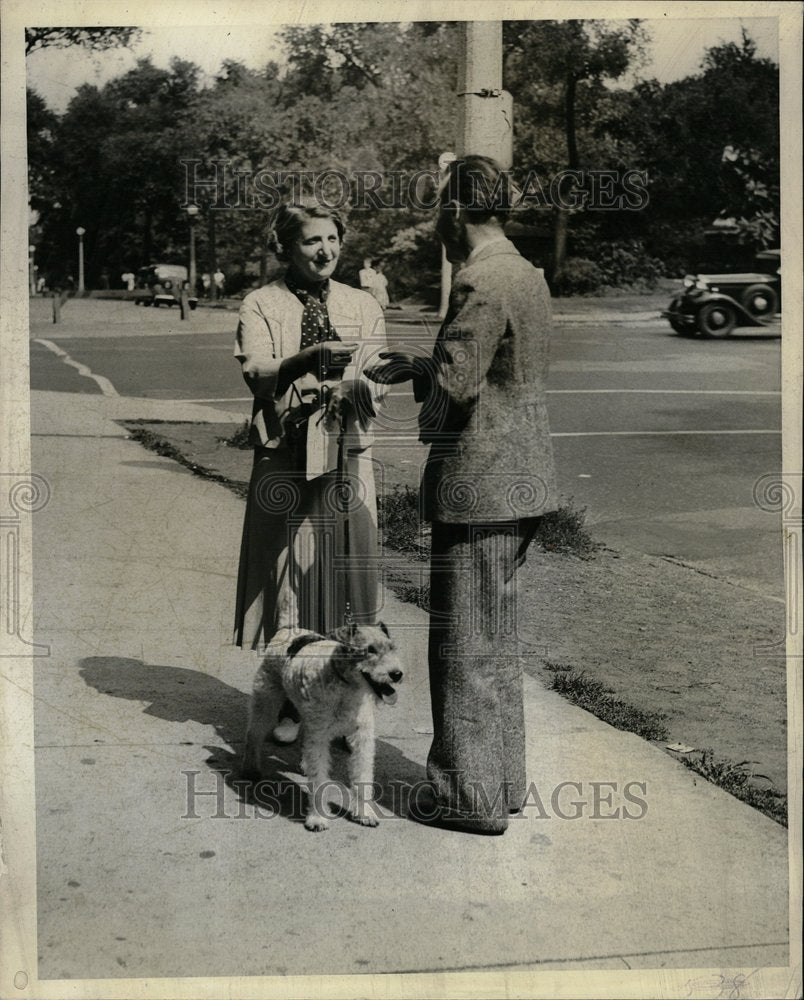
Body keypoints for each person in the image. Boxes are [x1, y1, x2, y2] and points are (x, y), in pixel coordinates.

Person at [366, 155, 558, 834]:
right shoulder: (527, 274)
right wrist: (428, 366)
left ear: (453, 213)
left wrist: (424, 409)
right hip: (523, 478)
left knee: (462, 644)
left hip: (478, 484)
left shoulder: (480, 279)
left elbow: (458, 386)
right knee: (496, 641)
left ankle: (464, 797)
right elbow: (496, 372)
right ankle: (500, 784)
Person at [233, 198, 387, 743]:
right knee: (288, 572)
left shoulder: (362, 304)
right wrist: (307, 360)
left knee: (346, 568)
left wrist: (361, 384)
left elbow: (377, 372)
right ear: (285, 246)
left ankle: (347, 697)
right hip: (285, 452)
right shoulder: (262, 302)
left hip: (347, 449)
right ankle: (292, 696)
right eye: (311, 241)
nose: (325, 251)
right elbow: (257, 372)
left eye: (332, 240)